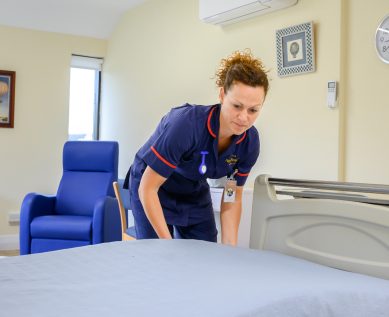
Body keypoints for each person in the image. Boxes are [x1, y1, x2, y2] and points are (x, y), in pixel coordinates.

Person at [124, 49, 269, 246]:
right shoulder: (186, 125)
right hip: (151, 185)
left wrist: (230, 250)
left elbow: (232, 196)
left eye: (253, 110)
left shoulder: (249, 143)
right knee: (157, 255)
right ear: (221, 95)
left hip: (192, 187)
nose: (244, 117)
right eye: (237, 106)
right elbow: (148, 188)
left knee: (207, 254)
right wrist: (167, 247)